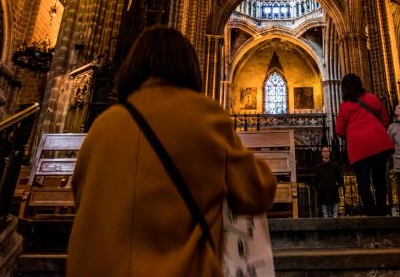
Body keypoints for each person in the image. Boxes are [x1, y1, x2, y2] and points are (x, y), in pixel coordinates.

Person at [67, 26, 277, 276]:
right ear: (188, 67)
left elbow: (80, 197)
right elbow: (258, 191)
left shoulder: (102, 127)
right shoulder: (204, 117)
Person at [335, 73, 395, 216]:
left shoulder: (345, 106)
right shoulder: (372, 98)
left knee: (363, 182)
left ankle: (371, 212)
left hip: (359, 148)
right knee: (379, 179)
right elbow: (385, 119)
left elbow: (339, 130)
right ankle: (381, 210)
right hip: (379, 144)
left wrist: (352, 136)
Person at [313, 145, 343, 218]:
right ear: (321, 154)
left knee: (335, 214)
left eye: (327, 151)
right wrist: (319, 187)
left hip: (333, 189)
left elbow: (339, 177)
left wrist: (337, 184)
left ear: (329, 153)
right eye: (324, 151)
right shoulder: (318, 166)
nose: (325, 153)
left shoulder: (335, 165)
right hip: (323, 190)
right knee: (325, 215)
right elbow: (316, 180)